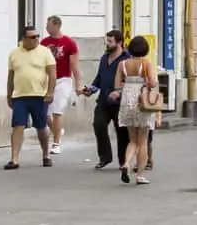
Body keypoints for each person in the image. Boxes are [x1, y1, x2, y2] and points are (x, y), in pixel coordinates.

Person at [80, 30, 131, 175]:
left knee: (122, 132)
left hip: (120, 102)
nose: (107, 44)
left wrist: (120, 92)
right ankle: (105, 157)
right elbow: (99, 79)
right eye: (106, 41)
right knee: (98, 125)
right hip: (103, 101)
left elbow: (131, 81)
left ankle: (123, 161)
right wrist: (90, 89)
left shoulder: (127, 59)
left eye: (110, 41)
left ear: (119, 42)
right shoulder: (104, 58)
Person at [5, 25, 55, 169]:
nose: (36, 39)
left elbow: (52, 73)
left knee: (41, 126)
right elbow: (11, 75)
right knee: (17, 125)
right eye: (32, 37)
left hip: (39, 95)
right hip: (20, 95)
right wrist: (9, 94)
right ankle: (14, 159)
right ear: (24, 39)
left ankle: (46, 154)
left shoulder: (45, 52)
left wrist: (50, 92)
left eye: (37, 36)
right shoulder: (14, 53)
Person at [115, 35, 161, 185]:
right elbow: (153, 83)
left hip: (127, 99)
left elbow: (117, 85)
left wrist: (129, 85)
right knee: (143, 141)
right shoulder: (146, 62)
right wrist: (145, 82)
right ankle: (140, 175)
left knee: (132, 139)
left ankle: (126, 163)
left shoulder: (122, 64)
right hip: (142, 99)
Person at [39, 16, 80, 155]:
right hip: (47, 79)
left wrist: (78, 83)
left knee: (57, 111)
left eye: (48, 25)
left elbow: (74, 65)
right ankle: (57, 130)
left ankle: (56, 143)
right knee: (43, 112)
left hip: (63, 80)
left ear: (57, 25)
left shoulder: (68, 43)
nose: (46, 27)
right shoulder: (44, 42)